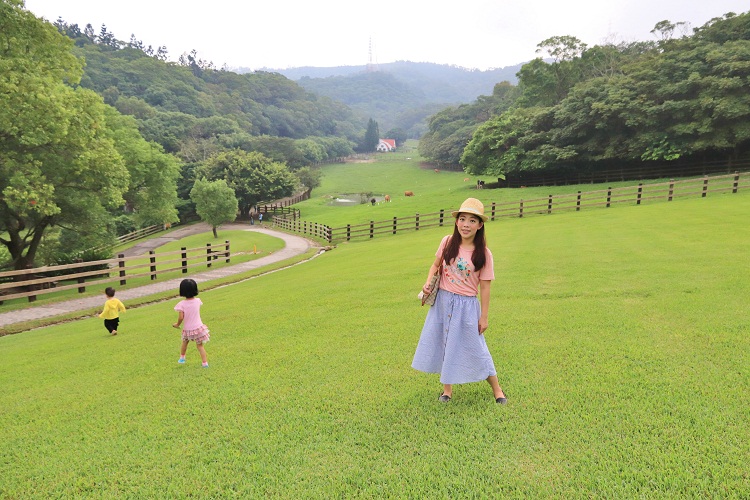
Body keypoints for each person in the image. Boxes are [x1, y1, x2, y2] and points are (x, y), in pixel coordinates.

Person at [411, 198, 507, 404]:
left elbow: (485, 287)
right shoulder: (447, 242)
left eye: (472, 221)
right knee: (446, 344)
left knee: (478, 347)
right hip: (442, 302)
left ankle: (498, 390)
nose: (466, 224)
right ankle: (447, 390)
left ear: (480, 225)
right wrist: (428, 283)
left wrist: (484, 317)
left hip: (467, 306)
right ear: (456, 222)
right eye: (462, 219)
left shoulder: (484, 254)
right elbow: (435, 266)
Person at [172, 278, 210, 367]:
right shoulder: (198, 301)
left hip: (187, 329)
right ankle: (205, 363)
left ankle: (182, 358)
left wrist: (177, 324)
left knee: (185, 342)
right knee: (200, 346)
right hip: (198, 328)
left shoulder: (181, 304)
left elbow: (181, 317)